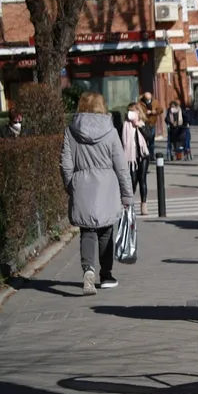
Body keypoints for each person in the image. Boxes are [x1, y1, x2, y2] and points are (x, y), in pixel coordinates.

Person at [60, 92, 133, 295]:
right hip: (107, 188)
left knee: (87, 231)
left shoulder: (71, 131)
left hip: (82, 185)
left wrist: (71, 185)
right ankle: (106, 275)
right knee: (106, 230)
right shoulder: (110, 131)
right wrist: (127, 195)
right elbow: (121, 166)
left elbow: (66, 165)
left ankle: (88, 270)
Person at [122, 102, 151, 216]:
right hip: (130, 159)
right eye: (130, 111)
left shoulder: (143, 123)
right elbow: (121, 141)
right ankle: (129, 205)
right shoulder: (125, 125)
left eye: (134, 111)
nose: (132, 113)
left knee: (142, 180)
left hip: (143, 156)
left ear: (138, 112)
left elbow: (149, 137)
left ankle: (144, 204)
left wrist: (140, 126)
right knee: (132, 181)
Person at [139, 92, 164, 159]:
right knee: (144, 139)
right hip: (144, 123)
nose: (148, 101)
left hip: (152, 123)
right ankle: (145, 154)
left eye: (149, 99)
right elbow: (138, 112)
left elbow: (161, 110)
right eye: (147, 99)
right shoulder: (140, 103)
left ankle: (151, 155)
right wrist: (145, 113)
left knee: (151, 140)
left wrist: (154, 112)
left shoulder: (155, 102)